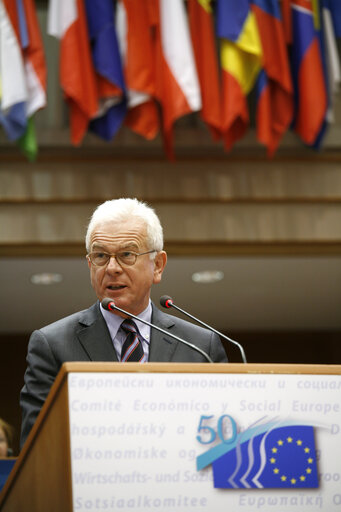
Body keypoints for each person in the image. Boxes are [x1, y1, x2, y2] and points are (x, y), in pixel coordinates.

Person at [20, 198, 227, 447]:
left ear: (158, 265)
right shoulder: (52, 345)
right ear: (89, 263)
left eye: (127, 254)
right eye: (100, 256)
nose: (112, 268)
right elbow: (37, 447)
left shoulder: (200, 346)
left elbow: (221, 440)